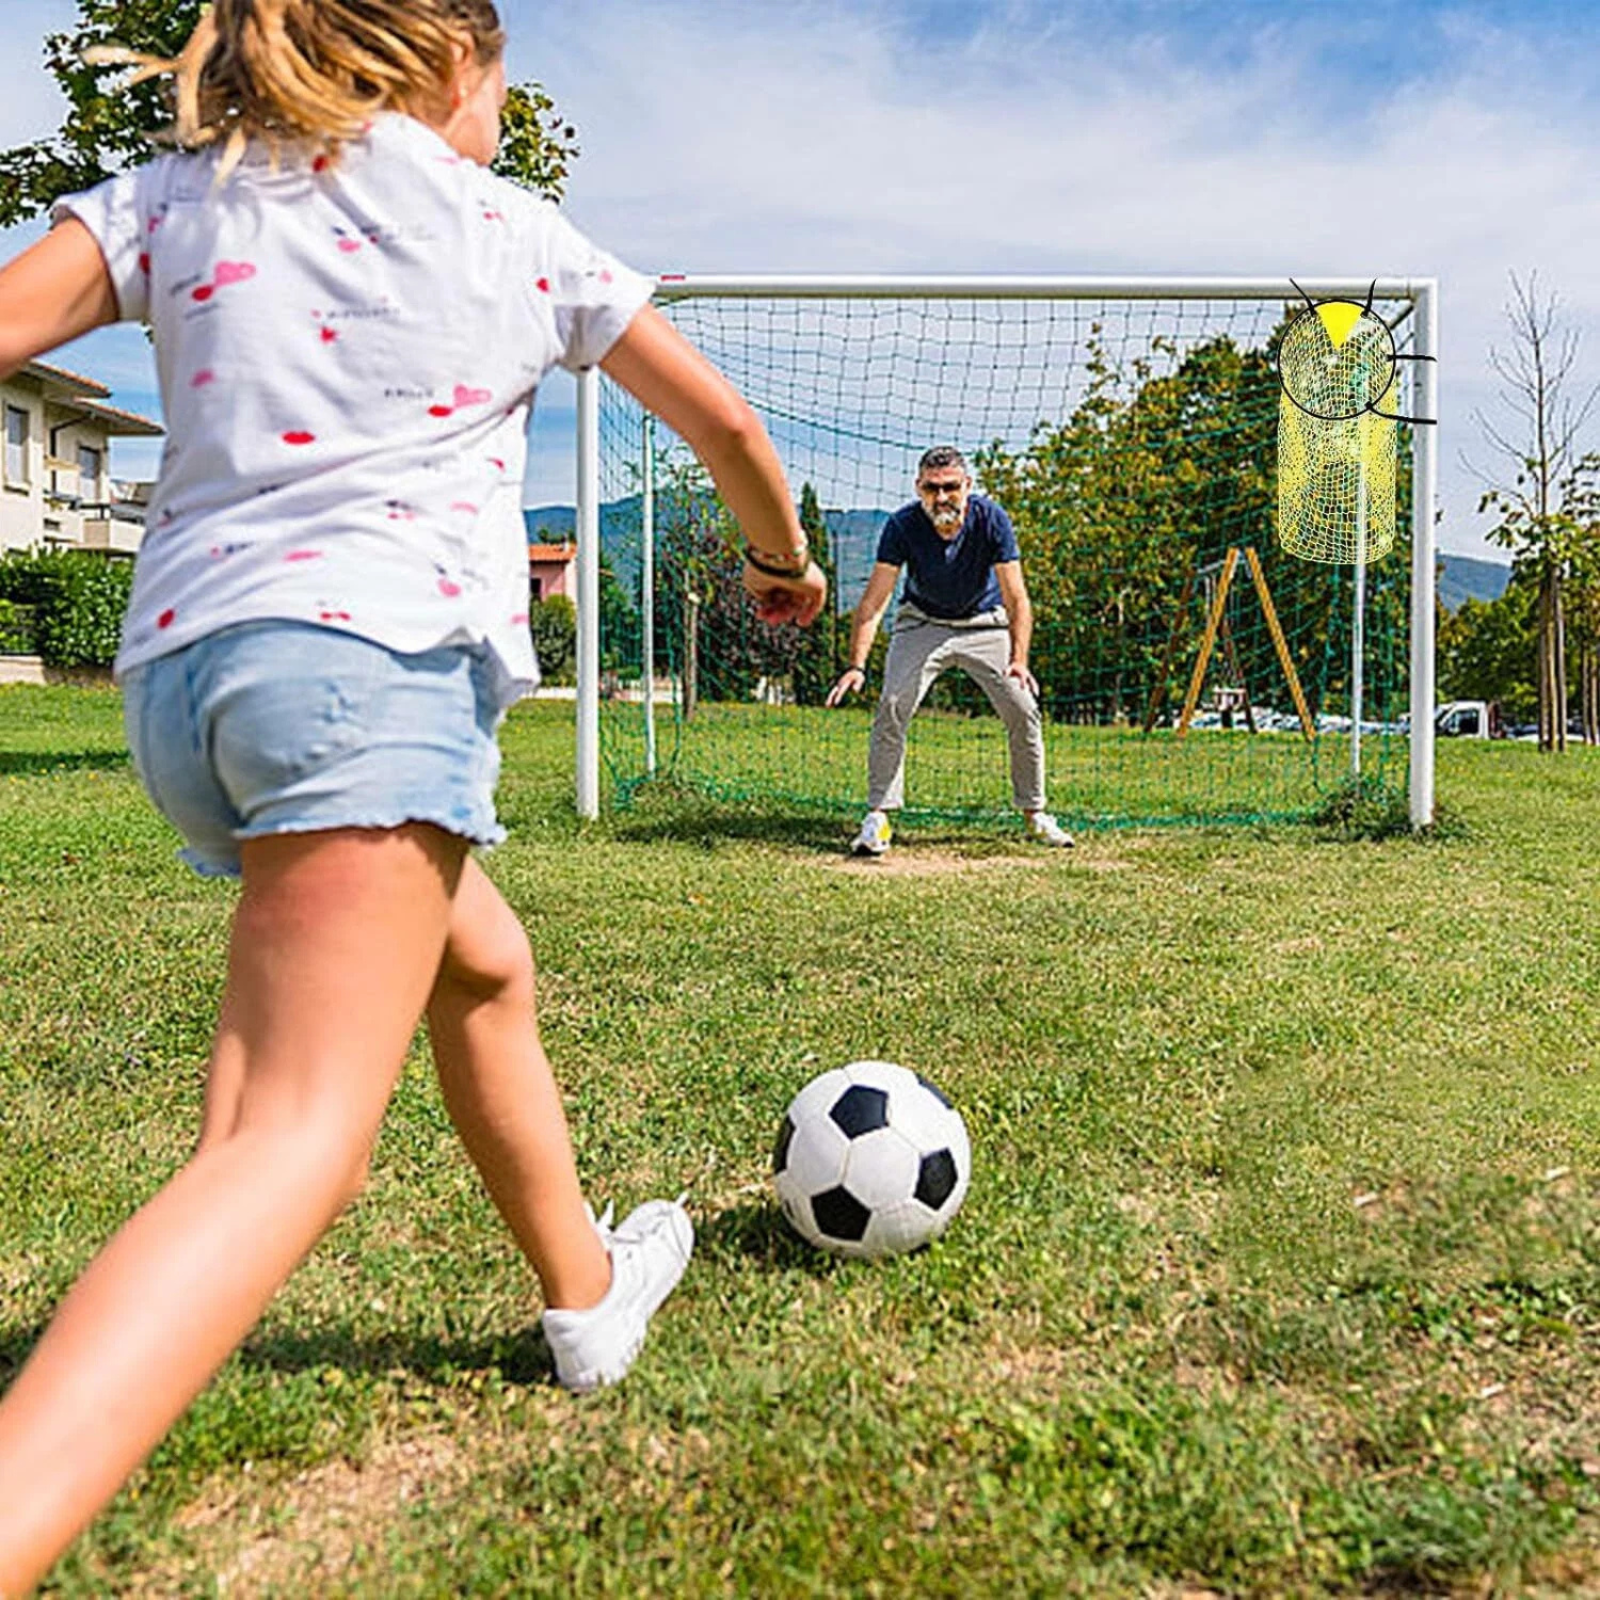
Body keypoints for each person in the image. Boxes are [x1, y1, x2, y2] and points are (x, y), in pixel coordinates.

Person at [0, 2, 825, 1590]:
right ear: (448, 64)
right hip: (363, 679)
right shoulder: (512, 227)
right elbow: (727, 425)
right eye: (504, 85)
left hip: (186, 683)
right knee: (286, 1143)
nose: (507, 119)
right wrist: (782, 567)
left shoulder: (186, 187)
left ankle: (586, 1294)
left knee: (483, 964)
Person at [824, 447, 1071, 855]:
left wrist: (1019, 660)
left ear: (968, 487)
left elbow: (1017, 598)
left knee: (1022, 706)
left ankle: (1035, 813)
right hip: (922, 622)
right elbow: (873, 602)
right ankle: (878, 819)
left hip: (984, 624)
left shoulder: (992, 520)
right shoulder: (902, 525)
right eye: (932, 488)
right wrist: (856, 665)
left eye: (951, 488)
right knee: (891, 704)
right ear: (919, 489)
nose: (942, 498)